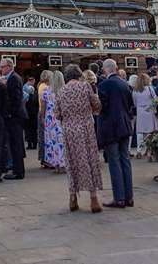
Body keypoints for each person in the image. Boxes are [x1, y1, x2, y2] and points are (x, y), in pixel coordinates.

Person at [55, 64, 103, 213]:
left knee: (72, 162)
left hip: (69, 130)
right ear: (78, 74)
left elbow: (57, 114)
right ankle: (93, 198)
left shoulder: (61, 91)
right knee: (89, 161)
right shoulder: (85, 87)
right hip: (86, 128)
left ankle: (72, 197)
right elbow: (97, 105)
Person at [97, 58, 135, 208]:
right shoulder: (125, 84)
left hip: (111, 127)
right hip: (125, 125)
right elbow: (130, 105)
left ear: (106, 69)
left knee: (114, 161)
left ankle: (119, 197)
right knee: (125, 160)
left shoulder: (105, 85)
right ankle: (129, 197)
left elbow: (102, 106)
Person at [1, 57, 27, 180]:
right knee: (14, 144)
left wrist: (10, 113)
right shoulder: (11, 78)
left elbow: (15, 99)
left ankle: (18, 171)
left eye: (3, 66)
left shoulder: (13, 79)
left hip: (15, 117)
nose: (1, 69)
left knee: (16, 144)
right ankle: (17, 169)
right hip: (15, 116)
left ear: (10, 67)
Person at [41, 70, 65, 173]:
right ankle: (64, 163)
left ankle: (56, 165)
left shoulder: (46, 91)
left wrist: (43, 117)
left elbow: (43, 108)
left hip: (50, 120)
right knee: (62, 141)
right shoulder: (64, 91)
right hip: (61, 119)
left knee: (51, 142)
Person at [132, 73, 158, 158]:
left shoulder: (135, 90)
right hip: (150, 111)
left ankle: (139, 150)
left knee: (140, 132)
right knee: (150, 132)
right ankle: (149, 151)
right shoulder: (150, 89)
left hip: (140, 112)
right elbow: (155, 100)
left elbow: (134, 103)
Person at [36, 70, 52, 165]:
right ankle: (44, 158)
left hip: (42, 112)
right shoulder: (44, 87)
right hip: (44, 113)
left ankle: (44, 158)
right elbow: (43, 102)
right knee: (44, 137)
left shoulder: (40, 85)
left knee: (42, 136)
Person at [24, 76, 39, 150]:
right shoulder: (36, 95)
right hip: (34, 114)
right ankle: (34, 144)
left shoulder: (26, 96)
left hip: (28, 114)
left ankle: (30, 144)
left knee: (28, 130)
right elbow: (37, 105)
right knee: (34, 130)